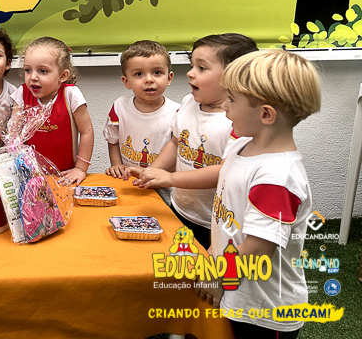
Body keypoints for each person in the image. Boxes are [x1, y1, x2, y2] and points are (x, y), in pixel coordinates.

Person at [141, 50, 321, 339]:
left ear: (266, 114)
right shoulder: (240, 146)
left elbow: (258, 249)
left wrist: (217, 276)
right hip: (236, 291)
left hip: (263, 313)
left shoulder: (277, 177)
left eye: (232, 100)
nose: (224, 107)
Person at [132, 33, 257, 249]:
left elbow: (225, 171)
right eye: (192, 66)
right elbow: (176, 143)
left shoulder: (238, 121)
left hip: (216, 221)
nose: (190, 73)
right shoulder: (189, 103)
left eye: (202, 68)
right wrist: (151, 172)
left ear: (234, 76)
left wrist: (171, 178)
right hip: (181, 209)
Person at [11, 36, 94, 185]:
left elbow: (87, 132)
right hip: (31, 176)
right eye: (28, 70)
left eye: (42, 71)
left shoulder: (71, 94)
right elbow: (14, 132)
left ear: (62, 76)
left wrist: (80, 168)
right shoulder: (21, 94)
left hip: (65, 175)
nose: (33, 77)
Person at [104, 40, 179, 200]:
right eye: (139, 74)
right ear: (126, 81)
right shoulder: (119, 107)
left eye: (157, 72)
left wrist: (153, 177)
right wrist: (117, 166)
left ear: (169, 78)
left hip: (164, 192)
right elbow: (113, 140)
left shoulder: (178, 113)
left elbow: (177, 152)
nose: (149, 79)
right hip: (128, 185)